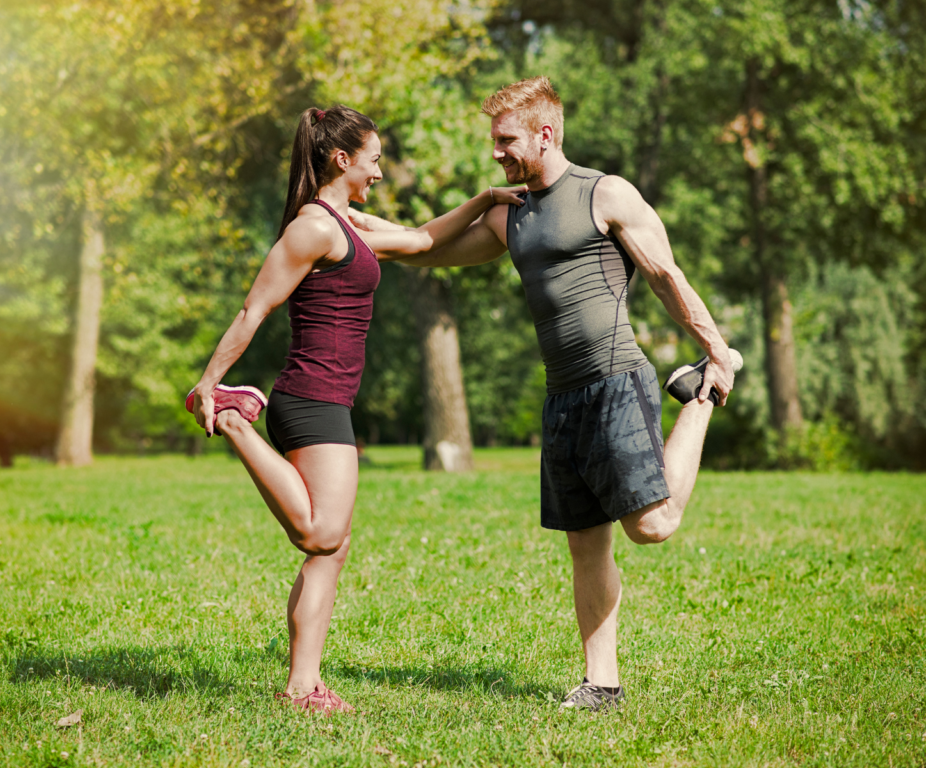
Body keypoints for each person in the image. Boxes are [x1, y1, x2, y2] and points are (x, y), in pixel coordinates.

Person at [352, 77, 743, 712]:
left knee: (654, 525)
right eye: (494, 141)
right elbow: (424, 249)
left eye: (505, 140)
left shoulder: (604, 193)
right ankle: (602, 683)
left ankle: (697, 396)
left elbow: (665, 275)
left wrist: (717, 349)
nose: (497, 152)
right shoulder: (510, 215)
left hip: (616, 380)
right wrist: (345, 217)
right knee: (586, 541)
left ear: (546, 133)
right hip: (561, 395)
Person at [186, 104, 525, 714]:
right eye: (372, 160)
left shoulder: (348, 221)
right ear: (341, 159)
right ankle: (235, 419)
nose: (378, 171)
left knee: (332, 549)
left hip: (331, 399)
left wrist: (485, 199)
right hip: (310, 396)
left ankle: (303, 686)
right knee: (320, 533)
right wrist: (211, 385)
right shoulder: (312, 228)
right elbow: (252, 310)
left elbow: (422, 239)